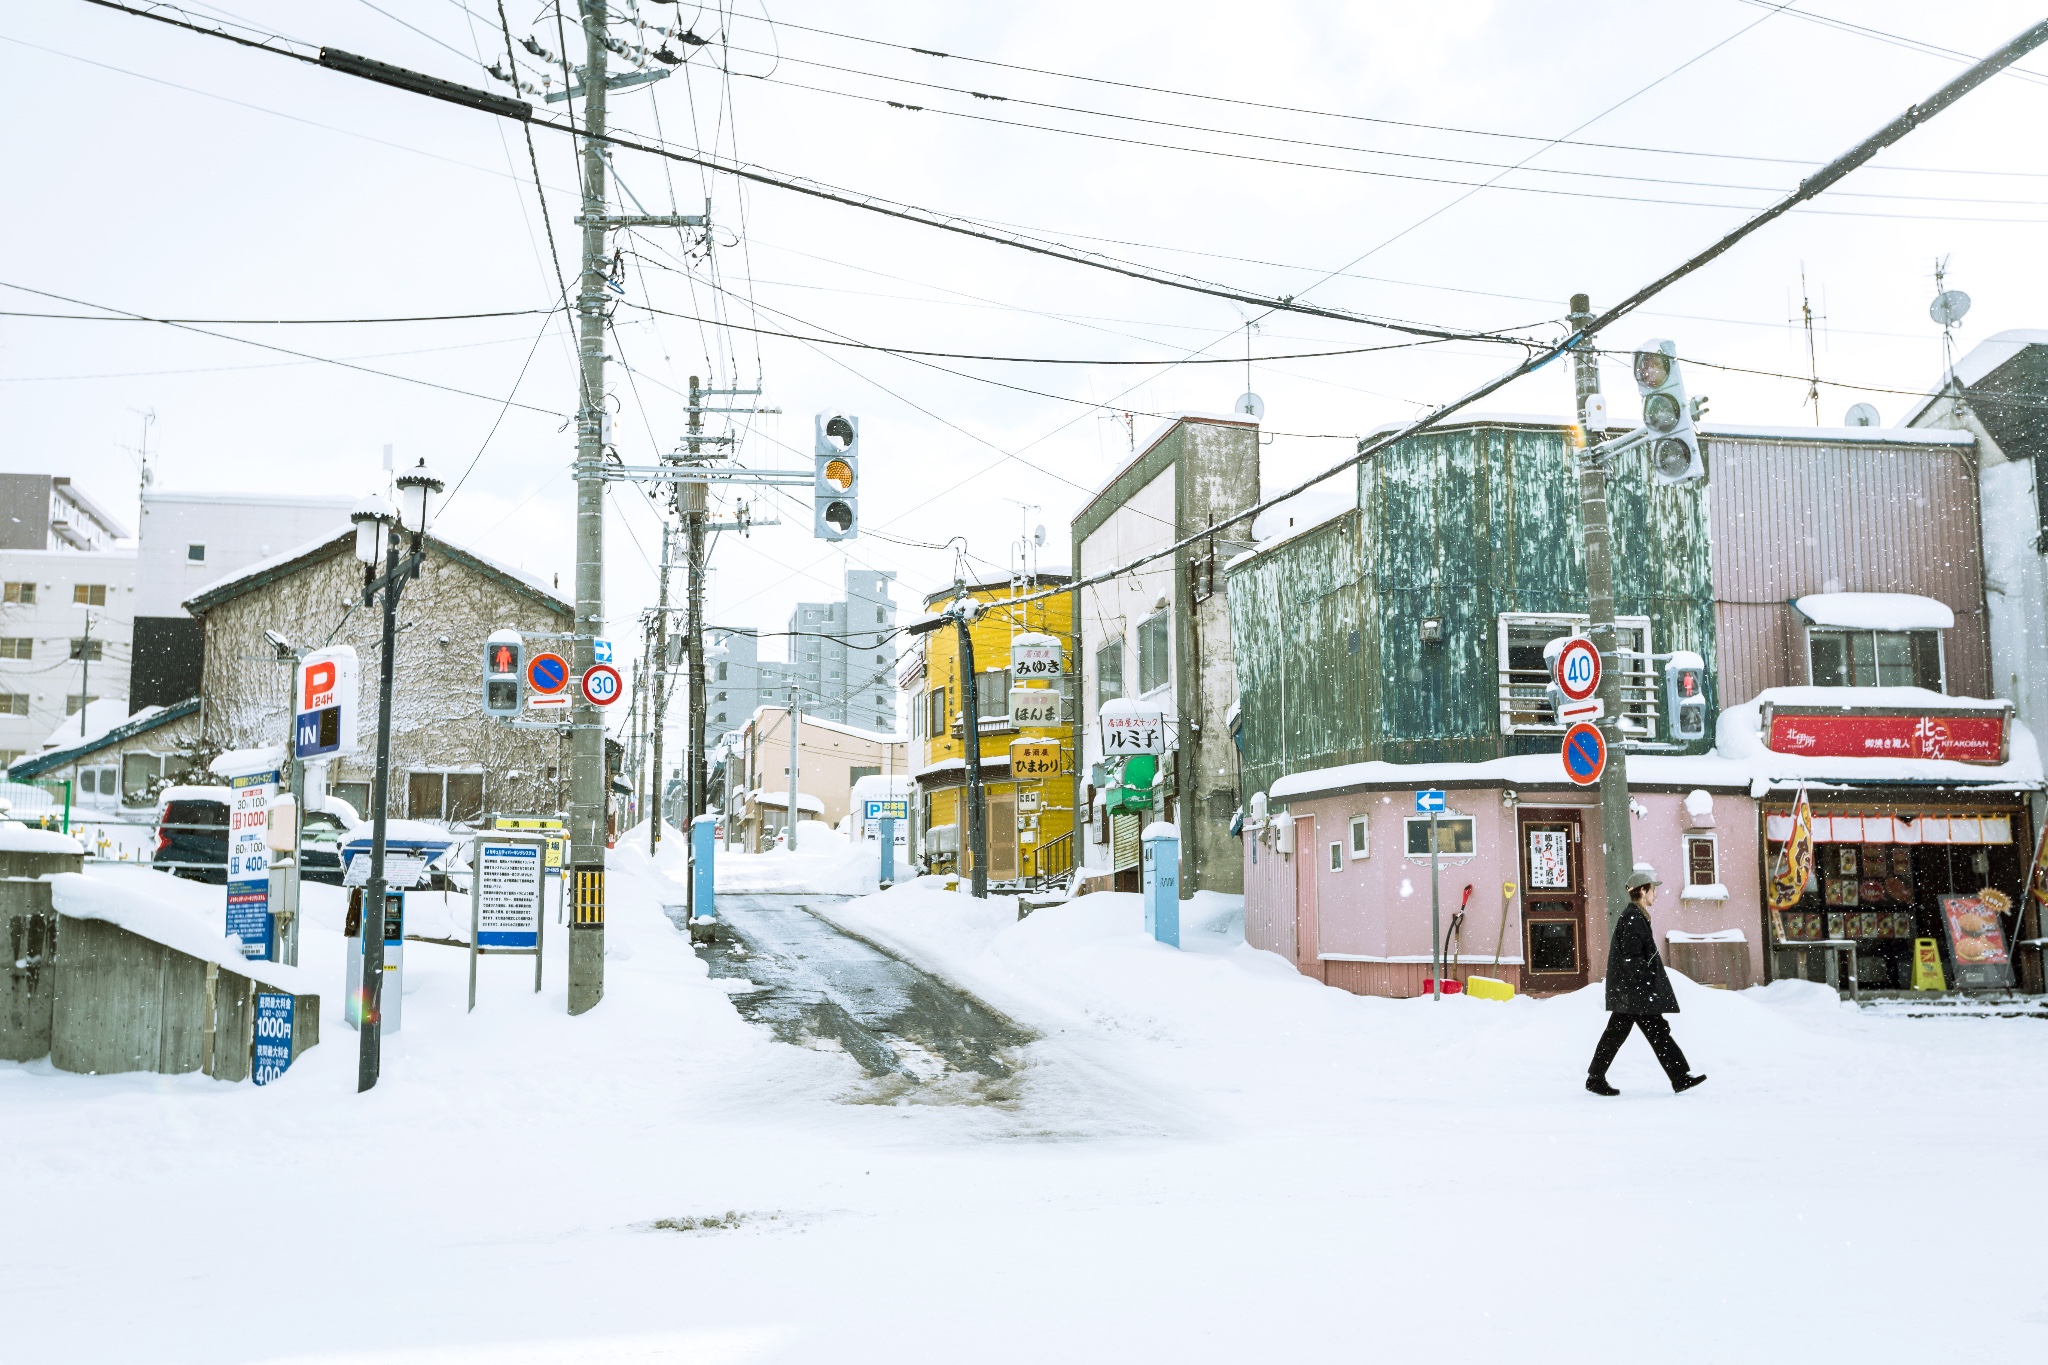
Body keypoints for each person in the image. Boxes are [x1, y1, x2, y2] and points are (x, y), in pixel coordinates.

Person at [1586, 869, 1707, 1096]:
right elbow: (1633, 958)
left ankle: (1596, 1077)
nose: (1656, 895)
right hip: (1635, 994)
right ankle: (1678, 1077)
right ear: (1642, 890)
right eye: (1653, 889)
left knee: (1637, 1033)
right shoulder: (1633, 918)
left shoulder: (1636, 916)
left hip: (1632, 993)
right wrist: (1646, 986)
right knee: (1649, 1033)